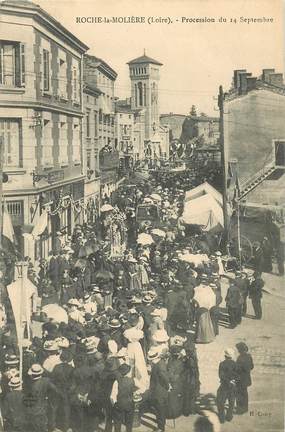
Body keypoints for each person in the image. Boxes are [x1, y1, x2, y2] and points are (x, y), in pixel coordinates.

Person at [148, 350, 172, 432]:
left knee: (160, 409)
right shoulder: (158, 363)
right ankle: (161, 424)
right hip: (158, 390)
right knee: (159, 409)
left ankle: (161, 428)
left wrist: (168, 386)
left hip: (160, 391)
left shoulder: (159, 365)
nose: (150, 361)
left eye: (151, 360)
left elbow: (164, 377)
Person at [110, 363, 136, 432]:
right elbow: (135, 391)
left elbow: (113, 396)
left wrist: (114, 404)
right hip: (129, 404)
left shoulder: (117, 382)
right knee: (129, 423)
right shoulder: (132, 381)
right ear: (128, 372)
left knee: (117, 422)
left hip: (119, 404)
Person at [216, 348, 237, 423]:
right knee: (231, 402)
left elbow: (221, 375)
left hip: (224, 385)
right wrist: (233, 381)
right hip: (233, 385)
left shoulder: (222, 364)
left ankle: (221, 418)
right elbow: (238, 375)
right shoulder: (235, 364)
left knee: (220, 401)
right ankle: (229, 416)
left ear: (225, 356)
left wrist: (228, 381)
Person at [235, 342, 254, 414]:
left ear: (240, 350)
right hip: (246, 378)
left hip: (240, 379)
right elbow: (252, 367)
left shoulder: (240, 358)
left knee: (239, 394)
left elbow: (237, 369)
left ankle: (240, 409)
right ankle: (245, 408)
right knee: (245, 393)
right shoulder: (249, 356)